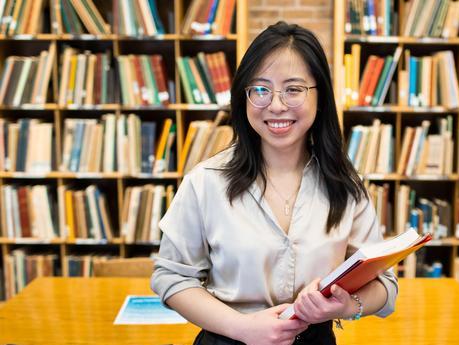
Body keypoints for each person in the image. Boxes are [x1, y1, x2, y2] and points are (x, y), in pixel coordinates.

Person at [151, 21, 398, 345]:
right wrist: (243, 328)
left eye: (293, 89)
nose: (276, 105)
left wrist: (348, 305)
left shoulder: (346, 185)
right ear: (244, 97)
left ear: (320, 96)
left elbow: (385, 284)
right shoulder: (206, 182)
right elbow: (171, 278)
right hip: (227, 339)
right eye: (261, 89)